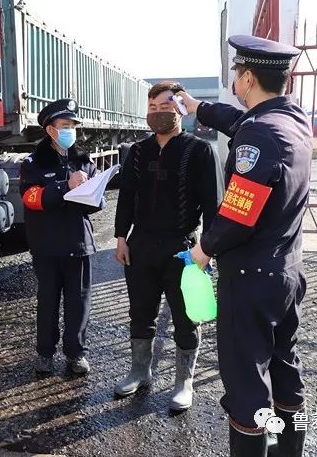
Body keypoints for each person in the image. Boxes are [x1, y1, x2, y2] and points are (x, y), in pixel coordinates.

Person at [176, 35, 311, 457]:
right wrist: (197, 108)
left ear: (248, 78)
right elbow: (240, 121)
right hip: (286, 273)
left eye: (236, 74)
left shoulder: (259, 135)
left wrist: (202, 251)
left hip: (251, 278)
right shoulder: (292, 120)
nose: (234, 82)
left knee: (247, 382)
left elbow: (238, 214)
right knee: (285, 367)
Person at [113, 81, 221, 412]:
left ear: (180, 110)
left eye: (165, 107)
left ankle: (183, 382)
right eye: (153, 108)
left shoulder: (199, 151)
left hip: (182, 247)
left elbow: (213, 205)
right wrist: (121, 237)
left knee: (186, 317)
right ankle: (139, 370)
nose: (159, 113)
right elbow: (126, 197)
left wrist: (206, 249)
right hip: (141, 244)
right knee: (140, 312)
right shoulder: (137, 151)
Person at [20, 98, 103, 376]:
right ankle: (45, 353)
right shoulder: (34, 163)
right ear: (50, 130)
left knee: (79, 302)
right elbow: (31, 198)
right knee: (48, 301)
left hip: (78, 242)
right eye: (65, 125)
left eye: (73, 126)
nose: (70, 131)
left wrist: (93, 192)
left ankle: (76, 353)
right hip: (46, 244)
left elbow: (97, 202)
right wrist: (65, 186)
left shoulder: (84, 161)